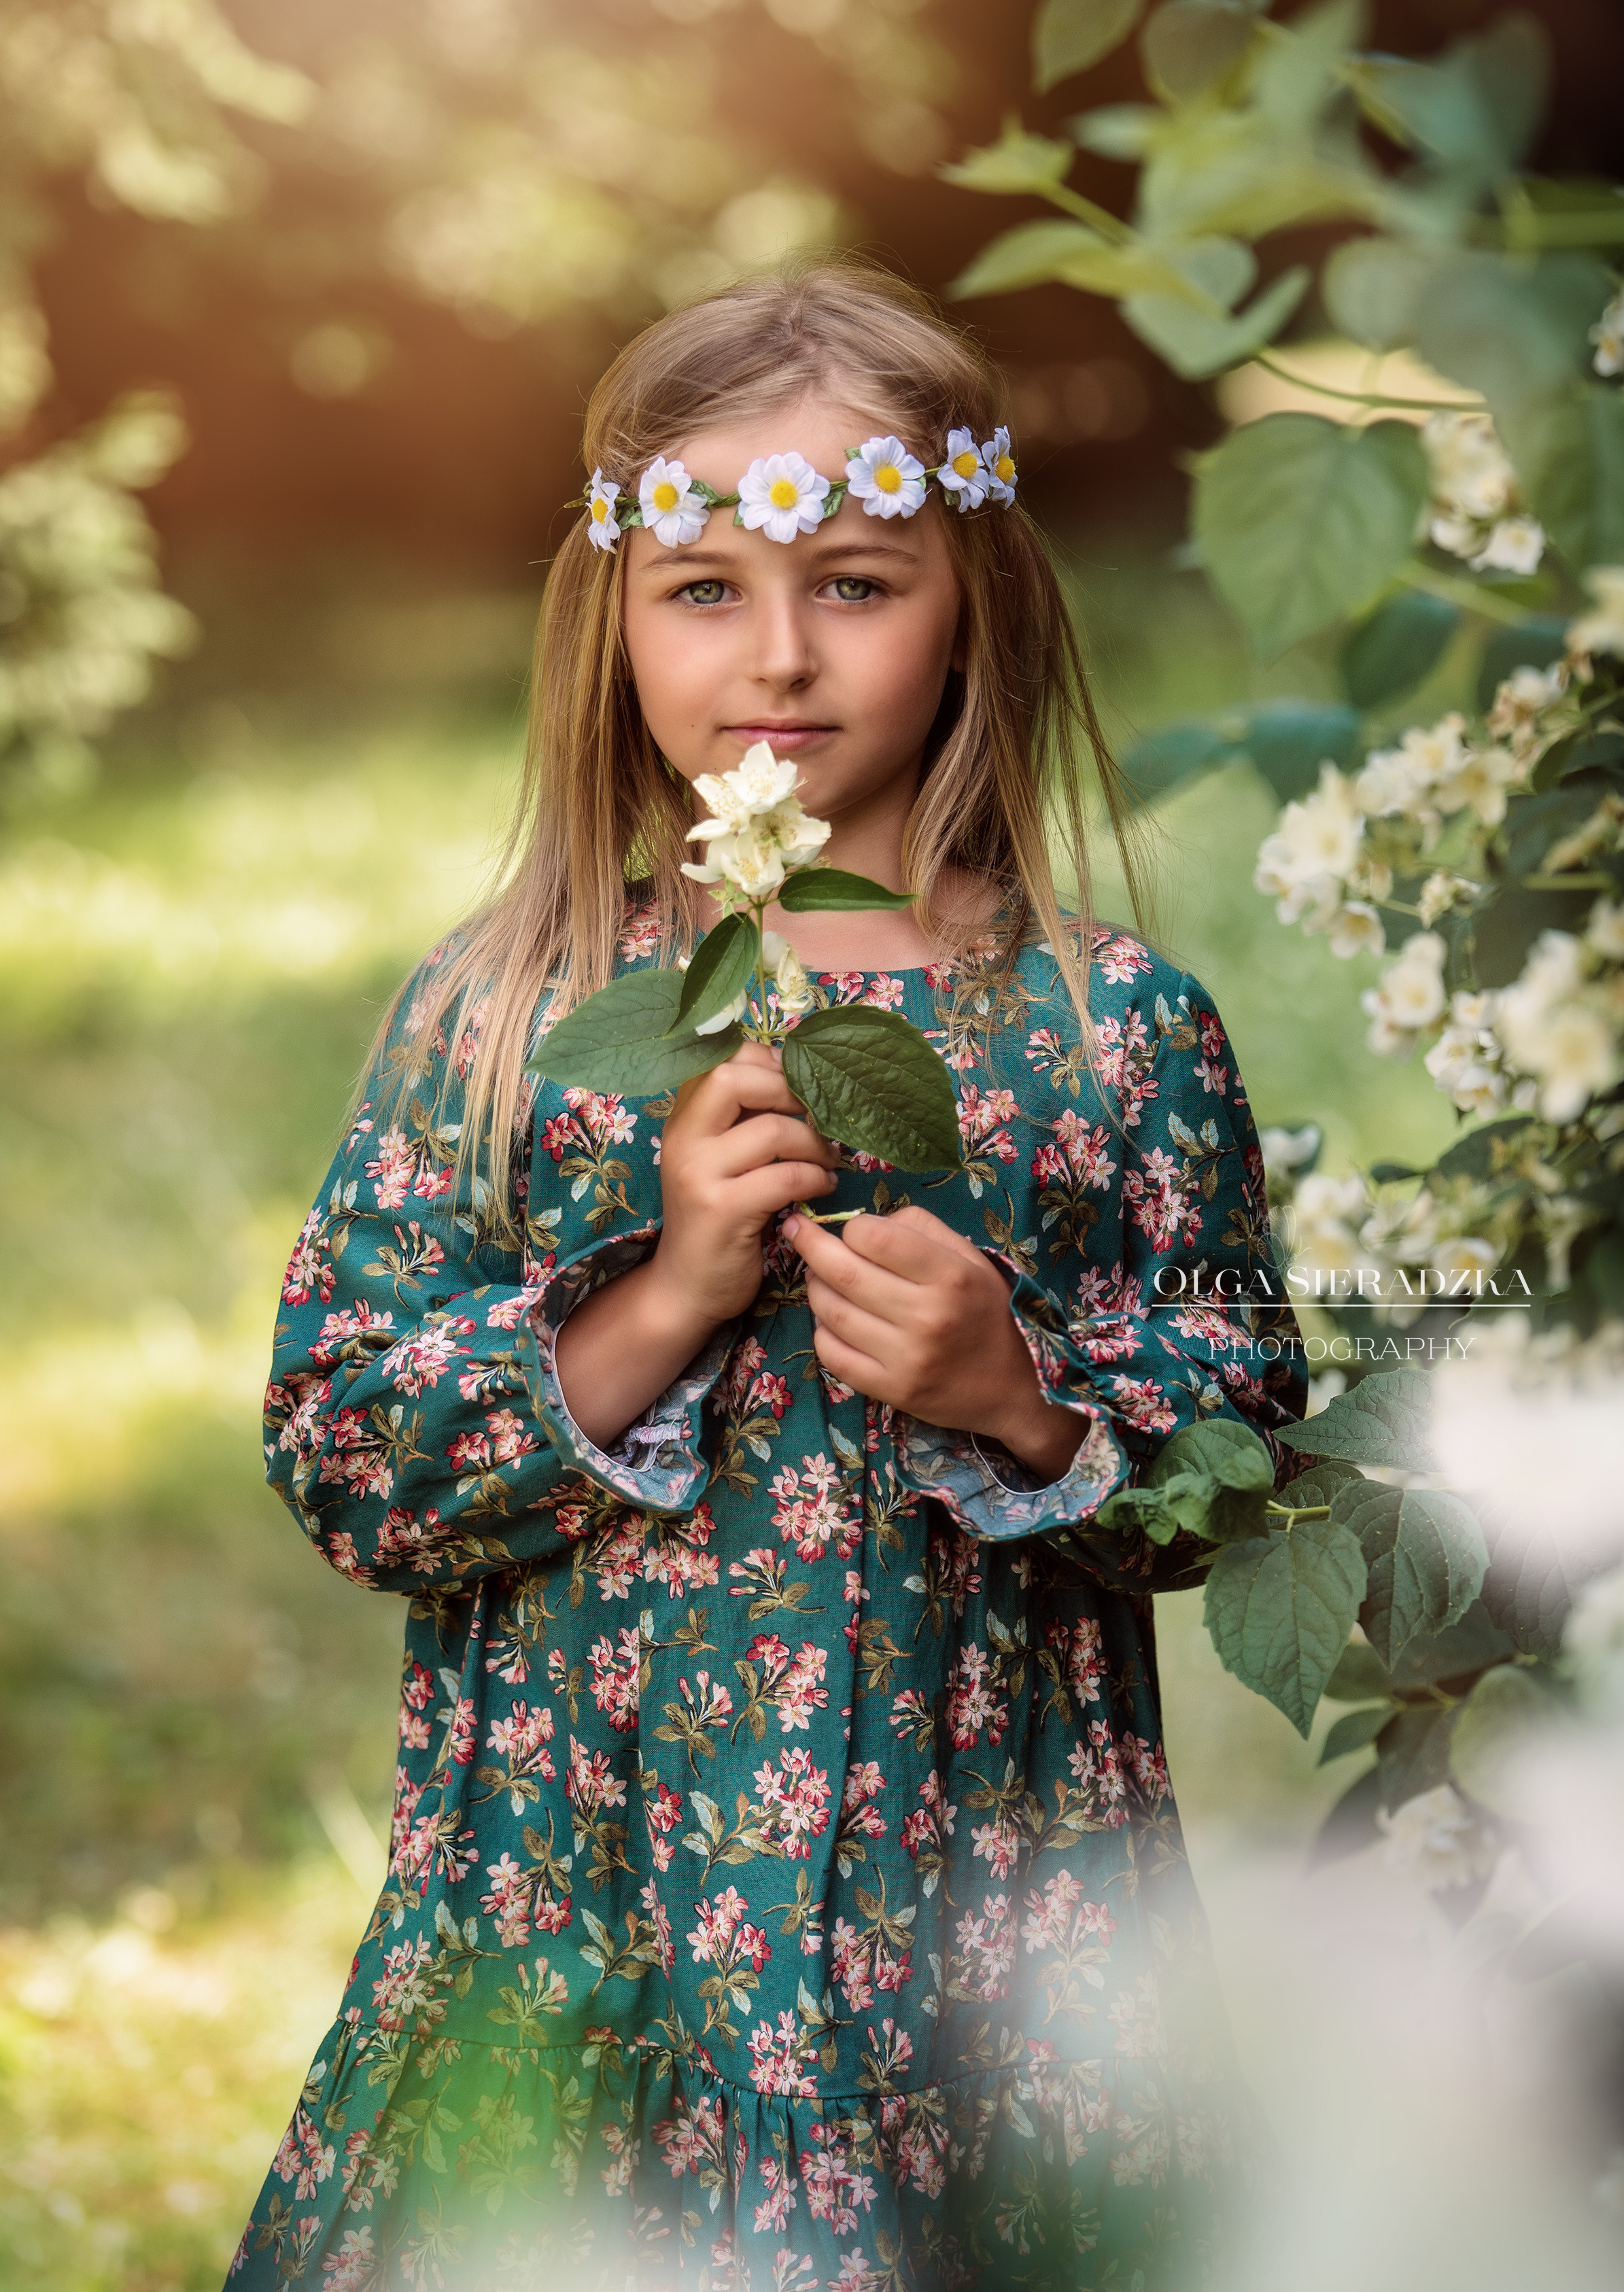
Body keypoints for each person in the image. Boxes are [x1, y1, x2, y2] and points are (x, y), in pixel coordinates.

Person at [229, 262, 1307, 2291]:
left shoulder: (1107, 1029)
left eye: (859, 583)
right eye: (706, 587)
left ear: (975, 601)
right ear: (613, 618)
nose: (782, 654)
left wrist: (1023, 1400)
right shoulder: (518, 1015)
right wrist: (653, 1303)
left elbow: (1243, 1459)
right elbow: (344, 1451)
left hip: (988, 1946)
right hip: (589, 1918)